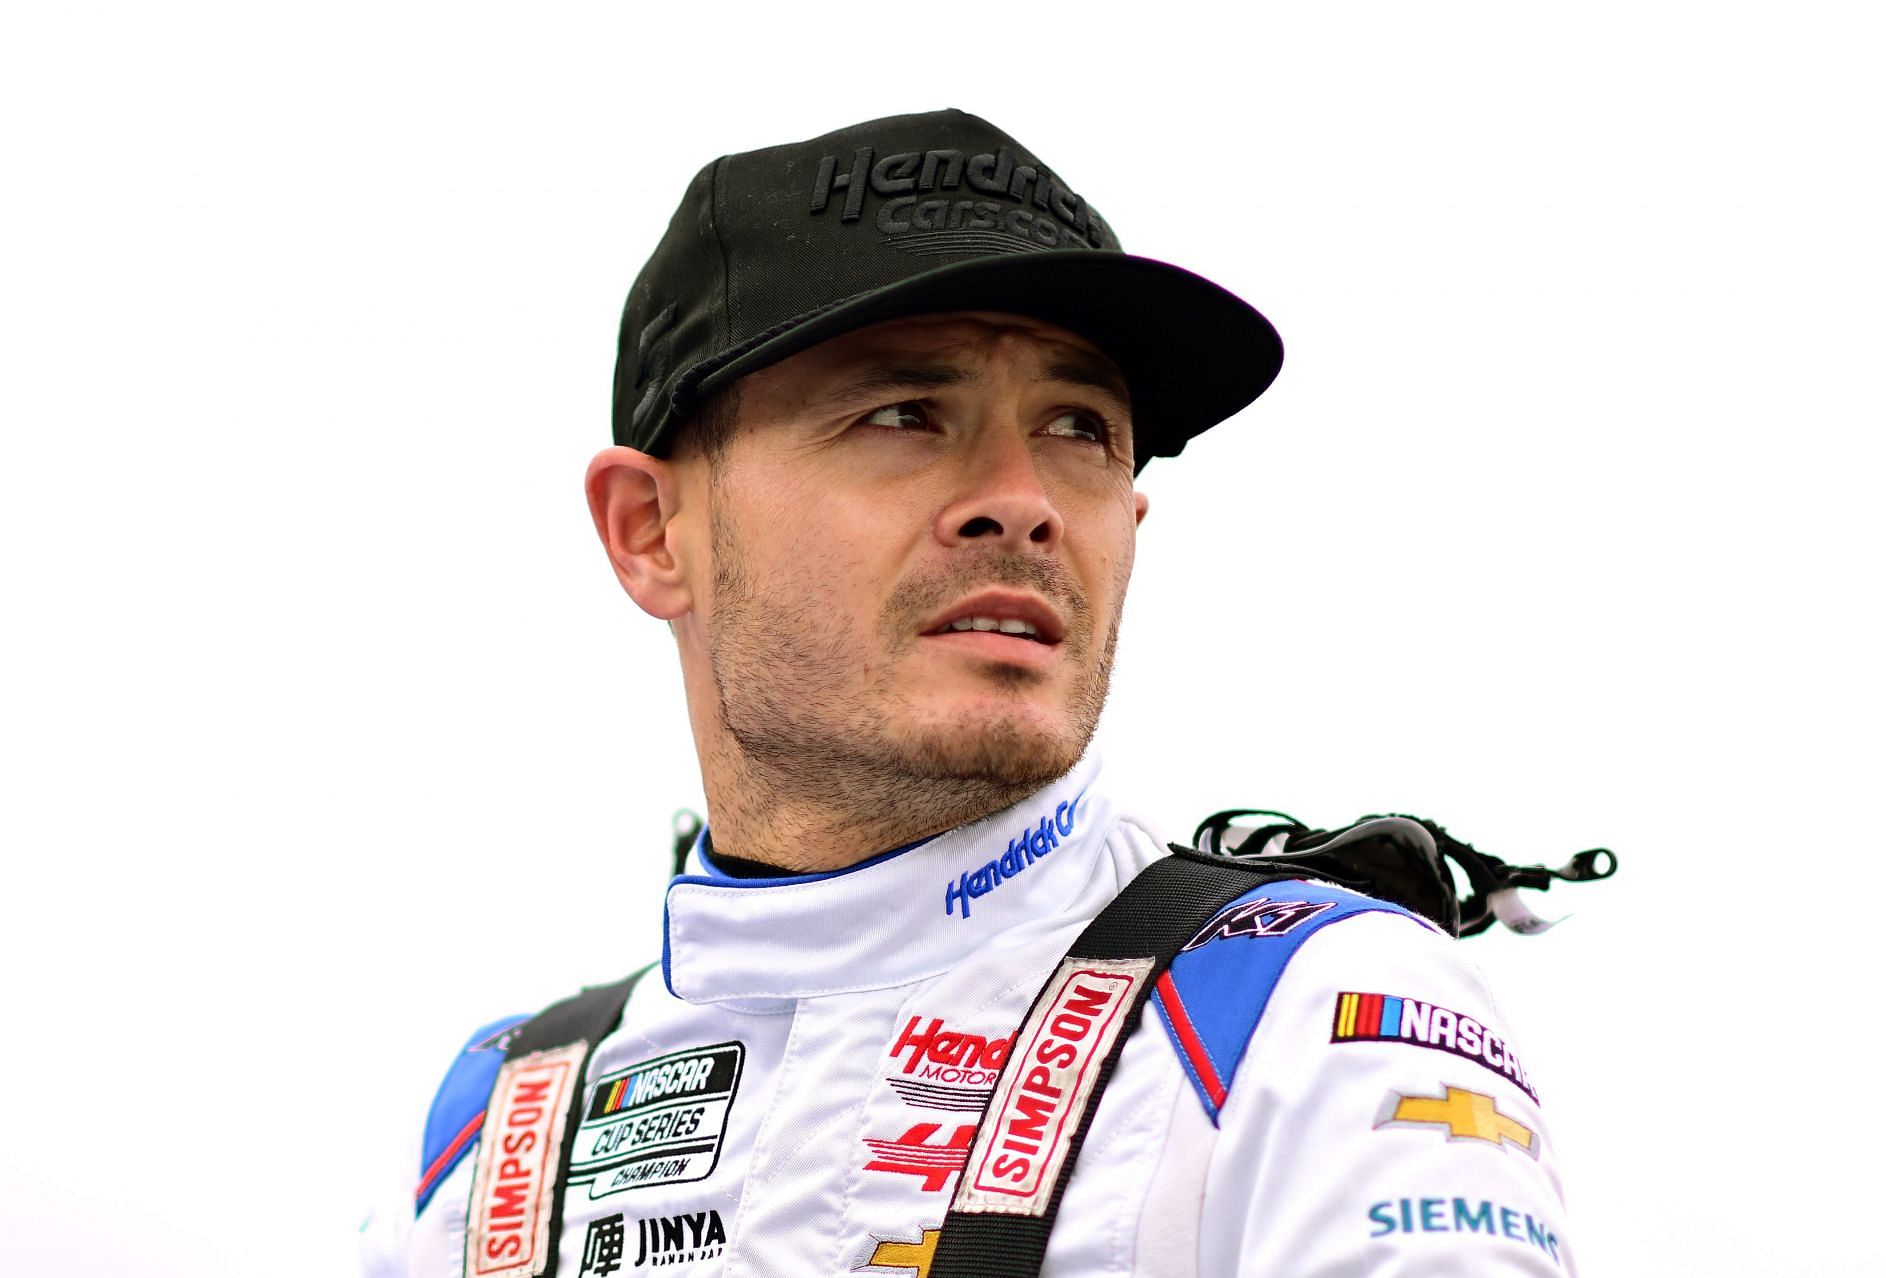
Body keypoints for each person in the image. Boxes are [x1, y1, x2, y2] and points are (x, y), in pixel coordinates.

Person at [360, 109, 1578, 1278]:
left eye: (1080, 427)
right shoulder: (501, 1132)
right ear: (650, 532)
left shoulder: (1311, 1020)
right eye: (904, 412)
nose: (1022, 496)